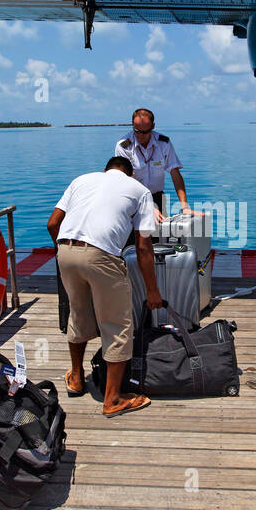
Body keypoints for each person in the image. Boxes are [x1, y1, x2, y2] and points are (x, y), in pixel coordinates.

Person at [47, 156, 162, 417]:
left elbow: (52, 224)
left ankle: (76, 378)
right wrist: (152, 290)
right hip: (103, 256)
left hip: (65, 250)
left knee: (78, 314)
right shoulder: (140, 191)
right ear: (130, 175)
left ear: (105, 170)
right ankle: (113, 399)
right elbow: (143, 246)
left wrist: (68, 253)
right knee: (117, 325)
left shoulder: (81, 180)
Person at [114, 108, 190, 222]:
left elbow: (175, 173)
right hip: (134, 199)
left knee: (162, 234)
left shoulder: (164, 143)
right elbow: (127, 181)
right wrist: (148, 207)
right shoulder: (123, 146)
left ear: (153, 126)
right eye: (137, 131)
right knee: (135, 237)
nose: (140, 136)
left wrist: (184, 207)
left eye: (145, 132)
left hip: (158, 198)